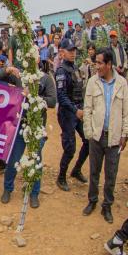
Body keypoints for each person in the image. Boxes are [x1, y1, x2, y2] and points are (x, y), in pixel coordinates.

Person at [0, 62, 57, 208]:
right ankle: (7, 189)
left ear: (37, 60)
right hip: (19, 125)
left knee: (35, 161)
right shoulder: (20, 76)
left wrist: (34, 96)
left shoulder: (45, 78)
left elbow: (52, 101)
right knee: (13, 159)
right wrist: (7, 70)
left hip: (36, 127)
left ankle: (34, 193)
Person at [82, 48, 128, 224]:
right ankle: (92, 201)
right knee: (94, 171)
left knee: (111, 174)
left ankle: (107, 205)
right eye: (96, 62)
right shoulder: (93, 82)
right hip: (96, 135)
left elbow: (125, 112)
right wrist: (89, 132)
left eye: (100, 63)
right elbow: (87, 109)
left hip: (114, 137)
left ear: (109, 65)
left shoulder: (122, 83)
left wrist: (124, 134)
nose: (97, 66)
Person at [55, 38, 89, 192]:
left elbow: (79, 90)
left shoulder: (75, 67)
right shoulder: (61, 71)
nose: (73, 53)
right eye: (70, 50)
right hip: (68, 114)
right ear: (62, 52)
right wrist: (76, 110)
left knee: (88, 140)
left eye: (74, 50)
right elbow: (61, 96)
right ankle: (61, 177)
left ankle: (76, 170)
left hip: (79, 112)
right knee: (70, 148)